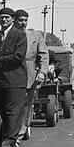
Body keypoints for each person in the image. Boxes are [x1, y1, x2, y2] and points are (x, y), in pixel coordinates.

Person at [0, 7, 29, 147]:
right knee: (1, 112)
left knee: (13, 111)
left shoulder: (19, 35)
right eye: (1, 17)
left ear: (12, 19)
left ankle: (10, 142)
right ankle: (1, 141)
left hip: (15, 80)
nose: (4, 20)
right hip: (0, 81)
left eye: (7, 17)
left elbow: (18, 57)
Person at [13, 9, 48, 140]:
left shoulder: (35, 36)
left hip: (29, 76)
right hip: (12, 75)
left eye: (25, 20)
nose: (23, 23)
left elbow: (44, 55)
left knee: (26, 105)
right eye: (20, 20)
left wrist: (42, 72)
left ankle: (21, 133)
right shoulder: (10, 35)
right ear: (15, 21)